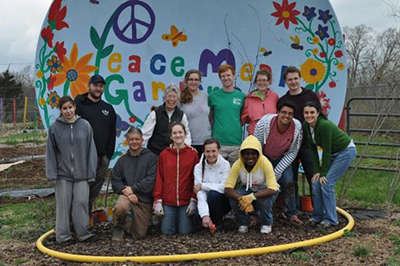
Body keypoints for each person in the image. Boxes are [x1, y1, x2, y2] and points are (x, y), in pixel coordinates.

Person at [46, 96, 98, 245]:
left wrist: (91, 172)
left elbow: (91, 150)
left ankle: (83, 233)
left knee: (81, 203)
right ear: (60, 110)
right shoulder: (55, 128)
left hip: (82, 174)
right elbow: (50, 152)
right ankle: (63, 236)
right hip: (63, 175)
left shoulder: (85, 125)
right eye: (64, 108)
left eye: (70, 107)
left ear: (74, 107)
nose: (68, 111)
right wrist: (52, 175)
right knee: (63, 205)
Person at [303, 101, 356, 227]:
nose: (309, 115)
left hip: (345, 151)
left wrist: (324, 173)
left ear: (318, 113)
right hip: (332, 154)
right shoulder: (306, 125)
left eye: (312, 112)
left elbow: (326, 150)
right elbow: (312, 150)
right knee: (315, 183)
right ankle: (317, 216)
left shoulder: (324, 125)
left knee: (326, 183)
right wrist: (317, 171)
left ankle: (331, 219)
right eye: (306, 113)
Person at [277, 66, 322, 202]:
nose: (293, 82)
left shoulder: (310, 95)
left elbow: (319, 117)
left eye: (296, 78)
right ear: (285, 81)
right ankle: (293, 210)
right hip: (290, 145)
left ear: (300, 79)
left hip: (308, 143)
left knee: (313, 176)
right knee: (291, 179)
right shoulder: (283, 100)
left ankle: (318, 210)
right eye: (290, 79)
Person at [254, 101, 303, 225]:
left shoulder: (297, 127)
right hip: (263, 157)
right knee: (258, 182)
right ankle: (255, 212)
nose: (286, 116)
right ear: (277, 112)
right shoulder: (264, 124)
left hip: (283, 157)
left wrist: (276, 173)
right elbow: (256, 147)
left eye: (290, 114)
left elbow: (293, 152)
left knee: (288, 182)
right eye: (284, 112)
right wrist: (263, 167)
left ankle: (291, 213)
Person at [75, 74, 117, 214]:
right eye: (95, 85)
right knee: (81, 190)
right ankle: (75, 221)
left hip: (101, 157)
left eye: (101, 86)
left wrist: (108, 155)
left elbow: (112, 133)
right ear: (89, 86)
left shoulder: (108, 109)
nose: (98, 88)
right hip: (84, 157)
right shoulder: (79, 104)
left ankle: (85, 220)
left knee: (94, 191)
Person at [152, 122, 199, 235]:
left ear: (185, 134)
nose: (178, 135)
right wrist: (158, 200)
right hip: (168, 201)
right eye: (174, 133)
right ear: (170, 136)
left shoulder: (193, 154)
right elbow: (159, 177)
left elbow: (196, 178)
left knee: (185, 232)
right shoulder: (164, 155)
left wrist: (193, 199)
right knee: (166, 232)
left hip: (186, 201)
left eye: (180, 132)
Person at [225, 135, 279, 234]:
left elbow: (273, 188)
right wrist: (241, 199)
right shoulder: (238, 164)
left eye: (254, 153)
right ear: (241, 154)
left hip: (265, 189)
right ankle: (244, 222)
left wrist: (251, 197)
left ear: (259, 154)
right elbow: (228, 188)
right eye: (246, 153)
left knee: (265, 200)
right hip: (248, 188)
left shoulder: (265, 163)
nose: (250, 157)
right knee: (234, 198)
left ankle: (266, 222)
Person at [111, 127, 157, 239]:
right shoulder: (122, 160)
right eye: (131, 139)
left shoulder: (151, 158)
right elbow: (115, 181)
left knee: (140, 235)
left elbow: (151, 179)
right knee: (121, 206)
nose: (134, 142)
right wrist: (129, 193)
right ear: (127, 141)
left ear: (142, 140)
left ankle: (131, 222)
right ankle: (119, 226)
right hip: (126, 196)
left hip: (144, 199)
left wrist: (134, 189)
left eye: (137, 139)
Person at [208, 64, 245, 165]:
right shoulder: (213, 96)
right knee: (217, 176)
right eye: (223, 76)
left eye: (228, 75)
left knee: (235, 177)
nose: (226, 78)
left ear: (234, 76)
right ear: (220, 78)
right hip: (219, 143)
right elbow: (209, 116)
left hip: (236, 143)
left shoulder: (241, 96)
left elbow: (243, 116)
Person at [142, 83, 191, 156]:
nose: (171, 99)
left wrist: (186, 149)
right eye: (169, 96)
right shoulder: (155, 114)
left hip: (173, 155)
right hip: (155, 154)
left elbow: (186, 135)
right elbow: (145, 134)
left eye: (174, 97)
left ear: (178, 100)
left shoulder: (181, 115)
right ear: (164, 98)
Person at [194, 138, 231, 233]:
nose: (211, 155)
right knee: (197, 214)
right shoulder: (198, 167)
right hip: (206, 200)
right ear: (204, 152)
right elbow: (199, 193)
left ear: (219, 150)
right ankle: (208, 222)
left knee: (214, 195)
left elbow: (223, 188)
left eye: (214, 151)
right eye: (208, 151)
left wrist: (203, 185)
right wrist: (205, 214)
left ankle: (219, 224)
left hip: (222, 201)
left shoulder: (225, 165)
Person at [179, 69, 211, 156]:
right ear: (186, 81)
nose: (194, 82)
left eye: (196, 80)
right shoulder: (180, 97)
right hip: (188, 141)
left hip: (205, 141)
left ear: (200, 81)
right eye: (191, 79)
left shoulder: (205, 95)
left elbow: (211, 115)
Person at [241, 69, 279, 135]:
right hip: (254, 136)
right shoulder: (249, 99)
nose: (262, 83)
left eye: (264, 80)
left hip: (271, 136)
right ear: (255, 82)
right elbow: (242, 119)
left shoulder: (275, 97)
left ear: (269, 82)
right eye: (259, 80)